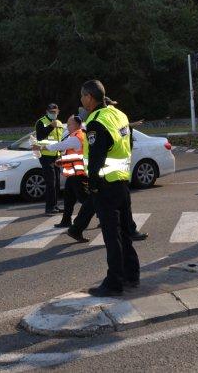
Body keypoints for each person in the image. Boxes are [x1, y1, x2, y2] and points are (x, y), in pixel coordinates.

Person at [80, 79, 139, 297]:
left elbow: (96, 158)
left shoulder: (96, 121)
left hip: (105, 185)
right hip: (122, 181)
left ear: (89, 97)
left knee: (111, 235)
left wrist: (93, 185)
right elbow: (129, 143)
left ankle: (114, 282)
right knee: (125, 231)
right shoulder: (119, 115)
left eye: (82, 96)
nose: (81, 100)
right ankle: (132, 274)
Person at [40, 115, 90, 230]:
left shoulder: (77, 137)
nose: (67, 126)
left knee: (86, 200)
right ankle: (66, 220)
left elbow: (60, 145)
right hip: (73, 174)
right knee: (68, 199)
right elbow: (73, 154)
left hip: (78, 175)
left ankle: (103, 218)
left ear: (77, 124)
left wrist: (43, 147)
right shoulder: (75, 135)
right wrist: (62, 161)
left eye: (69, 124)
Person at [34, 103, 65, 214]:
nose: (53, 114)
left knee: (56, 183)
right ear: (47, 112)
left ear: (58, 112)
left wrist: (61, 152)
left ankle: (55, 206)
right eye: (51, 112)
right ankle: (49, 208)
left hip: (56, 156)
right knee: (50, 183)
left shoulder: (60, 123)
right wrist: (51, 126)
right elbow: (40, 138)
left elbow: (60, 140)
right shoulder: (41, 122)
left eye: (55, 112)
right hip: (46, 156)